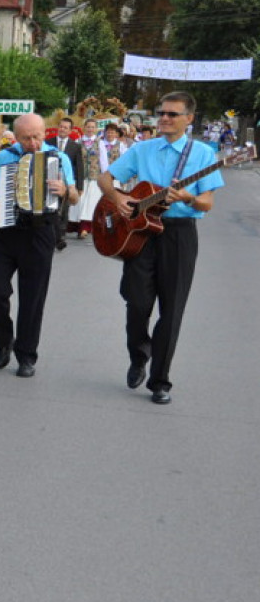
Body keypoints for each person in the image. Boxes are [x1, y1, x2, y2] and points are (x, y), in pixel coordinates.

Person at [97, 91, 223, 405]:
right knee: (137, 302)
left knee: (172, 309)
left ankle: (160, 380)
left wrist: (188, 198)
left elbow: (207, 203)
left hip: (179, 234)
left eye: (172, 114)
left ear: (189, 119)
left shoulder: (204, 154)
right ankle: (139, 355)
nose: (164, 118)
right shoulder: (143, 149)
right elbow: (105, 179)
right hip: (141, 234)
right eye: (162, 113)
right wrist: (119, 199)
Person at [0, 113, 79, 378]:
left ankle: (26, 355)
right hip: (7, 230)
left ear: (44, 132)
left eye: (37, 136)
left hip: (40, 232)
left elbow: (75, 196)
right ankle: (3, 343)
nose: (33, 143)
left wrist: (64, 191)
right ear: (17, 136)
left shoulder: (59, 159)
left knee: (33, 298)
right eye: (26, 138)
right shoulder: (6, 157)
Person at [52, 117, 84, 251]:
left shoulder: (75, 146)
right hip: (51, 181)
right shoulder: (48, 143)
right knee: (52, 208)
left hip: (66, 183)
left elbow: (79, 167)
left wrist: (79, 187)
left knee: (63, 209)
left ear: (70, 130)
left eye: (66, 127)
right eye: (61, 126)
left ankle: (61, 235)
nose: (62, 129)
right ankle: (53, 235)